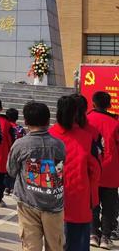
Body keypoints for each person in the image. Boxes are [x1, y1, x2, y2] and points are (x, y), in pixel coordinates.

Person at [7, 102, 65, 251]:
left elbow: (11, 170)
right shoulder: (59, 145)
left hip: (28, 203)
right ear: (47, 121)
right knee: (56, 245)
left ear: (25, 121)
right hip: (54, 204)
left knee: (31, 246)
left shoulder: (20, 145)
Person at [49, 95, 101, 251]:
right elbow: (96, 171)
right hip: (80, 201)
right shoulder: (87, 138)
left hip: (51, 200)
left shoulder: (49, 135)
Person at [87, 91, 119, 250]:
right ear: (109, 104)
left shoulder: (86, 119)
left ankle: (93, 233)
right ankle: (105, 237)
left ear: (93, 103)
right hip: (111, 170)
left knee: (93, 203)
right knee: (109, 205)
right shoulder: (115, 122)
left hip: (92, 169)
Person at [4, 107, 26, 195]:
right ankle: (13, 187)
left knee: (6, 170)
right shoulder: (20, 129)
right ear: (16, 117)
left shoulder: (4, 126)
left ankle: (6, 187)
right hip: (17, 153)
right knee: (16, 170)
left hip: (6, 151)